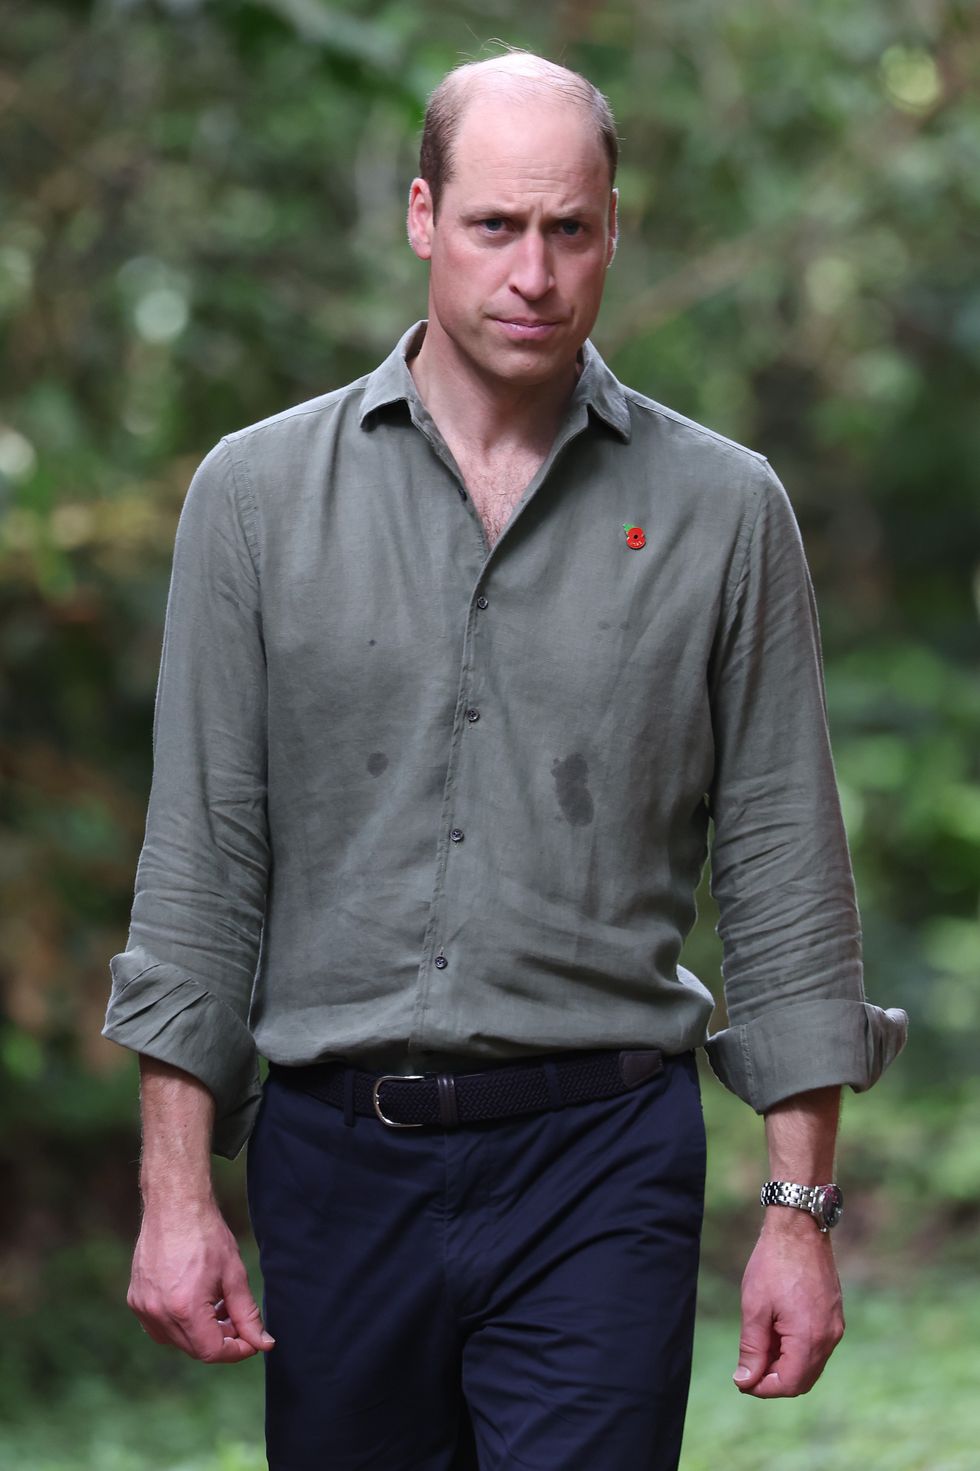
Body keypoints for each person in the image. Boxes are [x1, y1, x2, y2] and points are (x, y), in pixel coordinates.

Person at [103, 49, 908, 1471]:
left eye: (569, 229)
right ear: (423, 216)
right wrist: (176, 1191)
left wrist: (801, 1216)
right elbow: (203, 863)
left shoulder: (725, 511)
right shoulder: (256, 497)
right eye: (493, 226)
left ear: (613, 228)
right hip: (337, 1162)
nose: (533, 271)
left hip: (603, 1159)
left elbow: (784, 870)